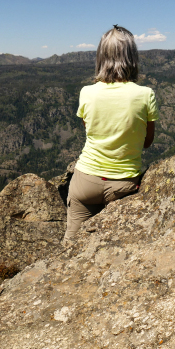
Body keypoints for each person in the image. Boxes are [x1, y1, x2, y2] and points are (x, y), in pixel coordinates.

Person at [64, 25, 159, 240]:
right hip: (124, 184)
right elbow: (147, 142)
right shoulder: (145, 95)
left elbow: (91, 131)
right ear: (132, 57)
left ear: (101, 57)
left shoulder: (87, 92)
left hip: (85, 180)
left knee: (72, 242)